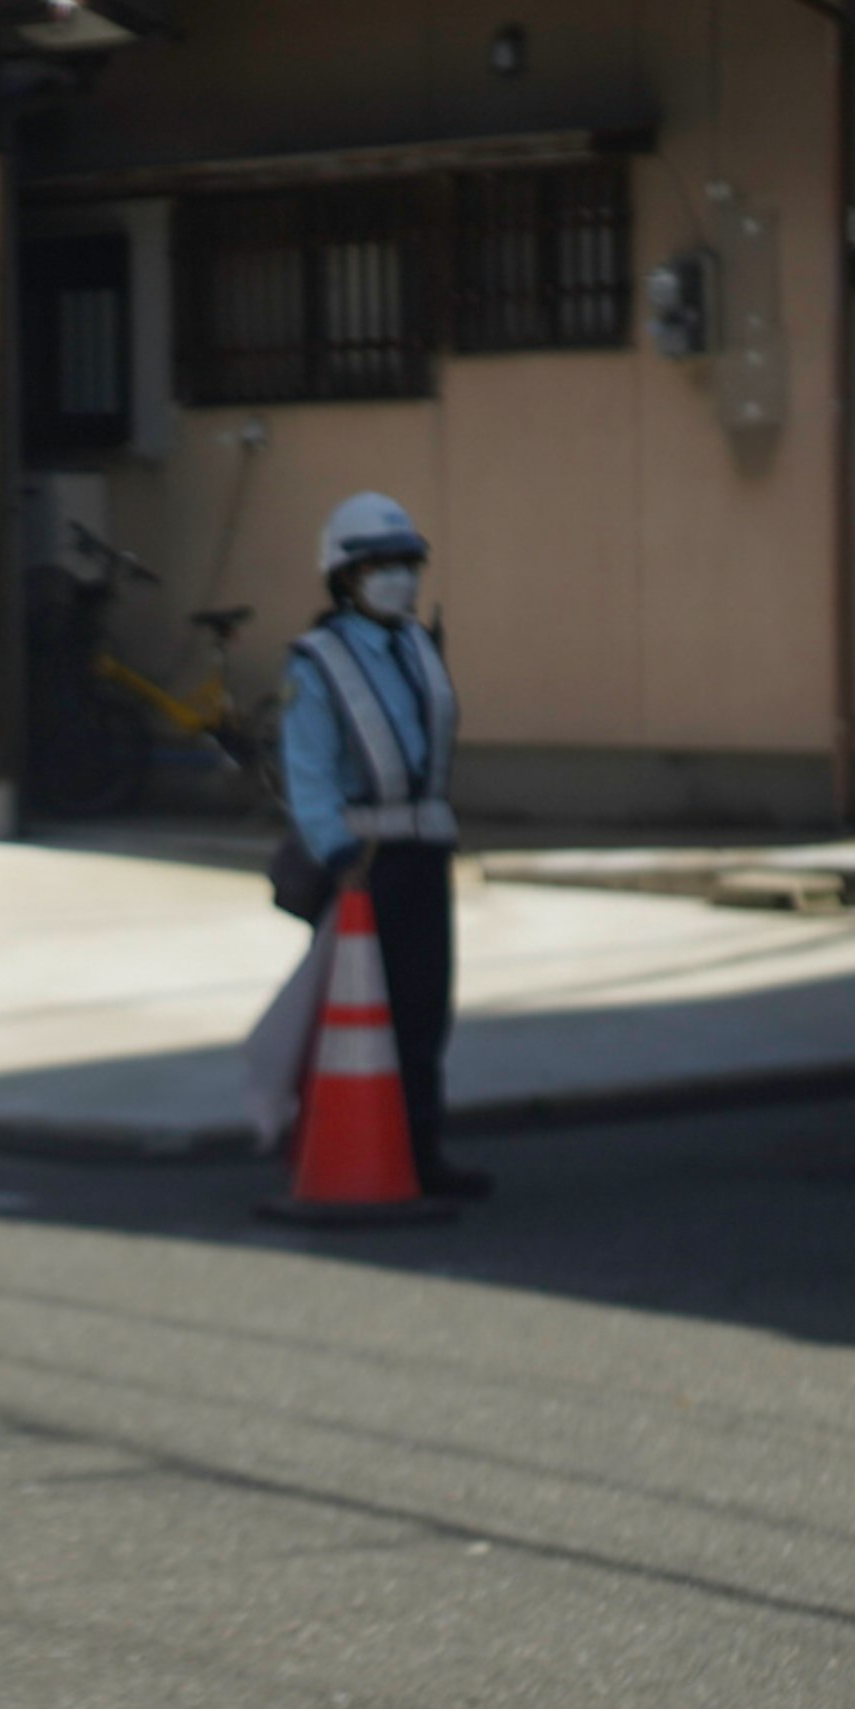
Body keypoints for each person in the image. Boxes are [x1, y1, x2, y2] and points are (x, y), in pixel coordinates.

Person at [275, 491, 489, 1201]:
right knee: (364, 1017)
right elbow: (308, 777)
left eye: (406, 564)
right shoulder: (318, 662)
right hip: (364, 868)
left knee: (426, 1013)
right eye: (380, 565)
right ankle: (338, 1140)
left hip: (425, 855)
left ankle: (421, 1152)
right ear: (345, 576)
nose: (398, 577)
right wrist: (340, 860)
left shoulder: (416, 643)